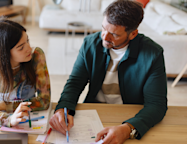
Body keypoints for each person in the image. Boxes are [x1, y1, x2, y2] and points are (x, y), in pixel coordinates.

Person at [49, 0, 167, 143]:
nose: (104, 37)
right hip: (94, 112)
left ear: (133, 34)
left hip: (132, 115)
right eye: (103, 28)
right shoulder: (90, 44)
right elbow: (74, 83)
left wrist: (129, 128)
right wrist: (63, 108)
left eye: (114, 34)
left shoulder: (152, 54)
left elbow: (156, 105)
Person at [0, 18, 51, 127]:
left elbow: (44, 101)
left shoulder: (36, 55)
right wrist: (7, 119)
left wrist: (4, 106)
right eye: (21, 48)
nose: (29, 48)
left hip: (14, 109)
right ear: (4, 53)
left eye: (27, 41)